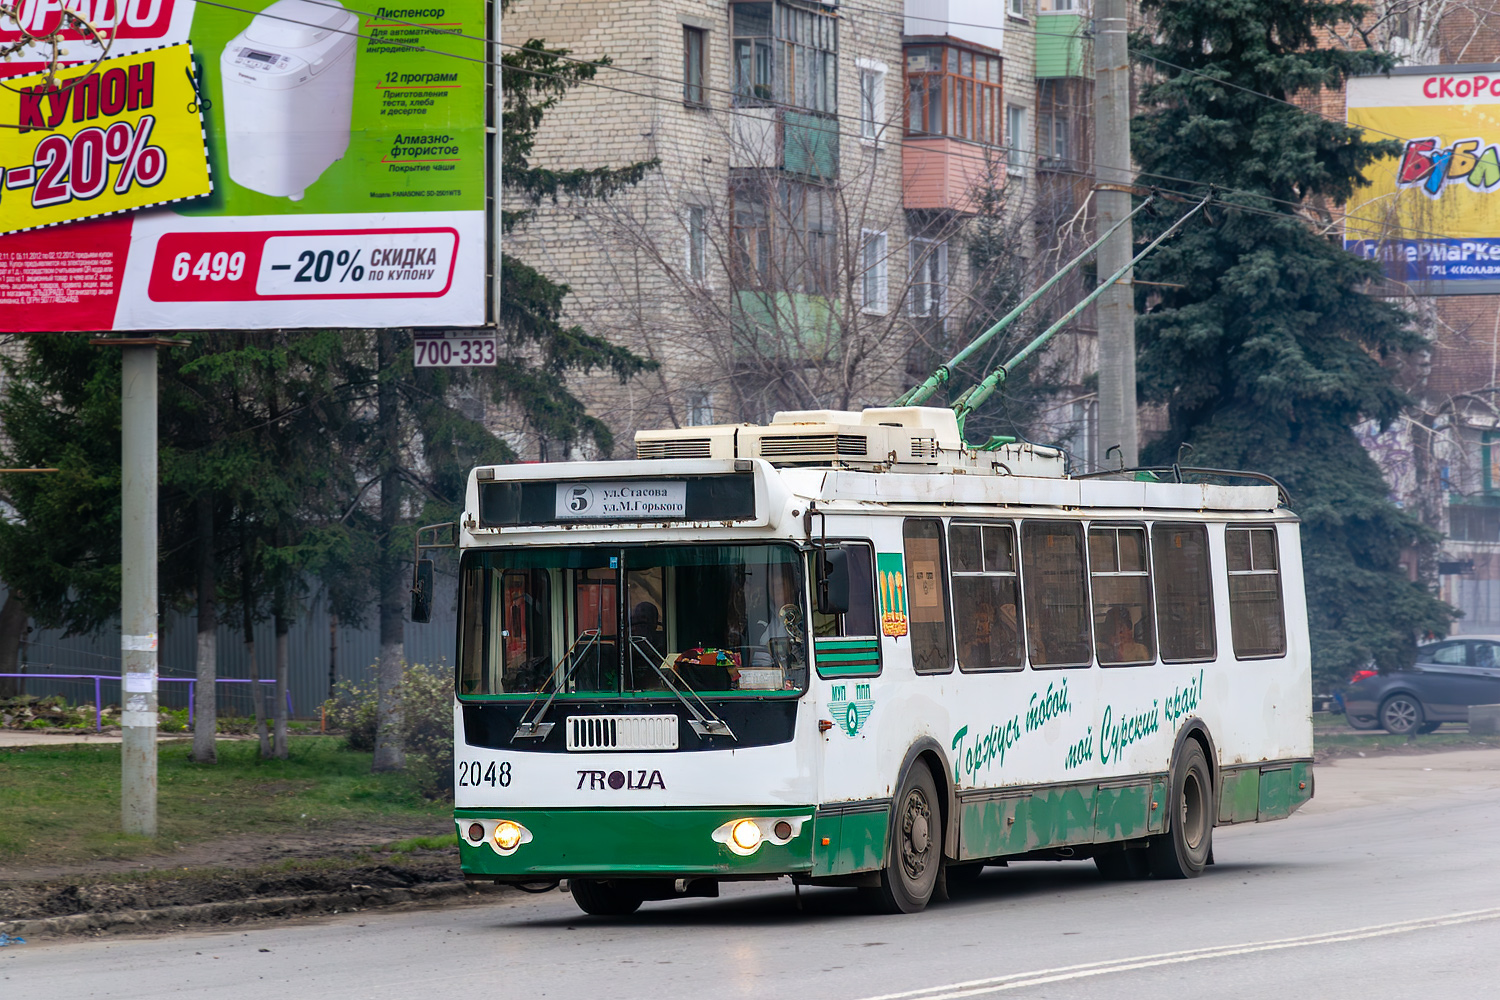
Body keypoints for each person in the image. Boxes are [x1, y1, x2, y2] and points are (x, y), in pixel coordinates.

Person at [627, 601, 668, 689]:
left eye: (645, 618)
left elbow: (664, 668)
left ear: (654, 622)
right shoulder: (628, 643)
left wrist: (645, 646)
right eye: (638, 619)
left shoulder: (664, 642)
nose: (641, 624)